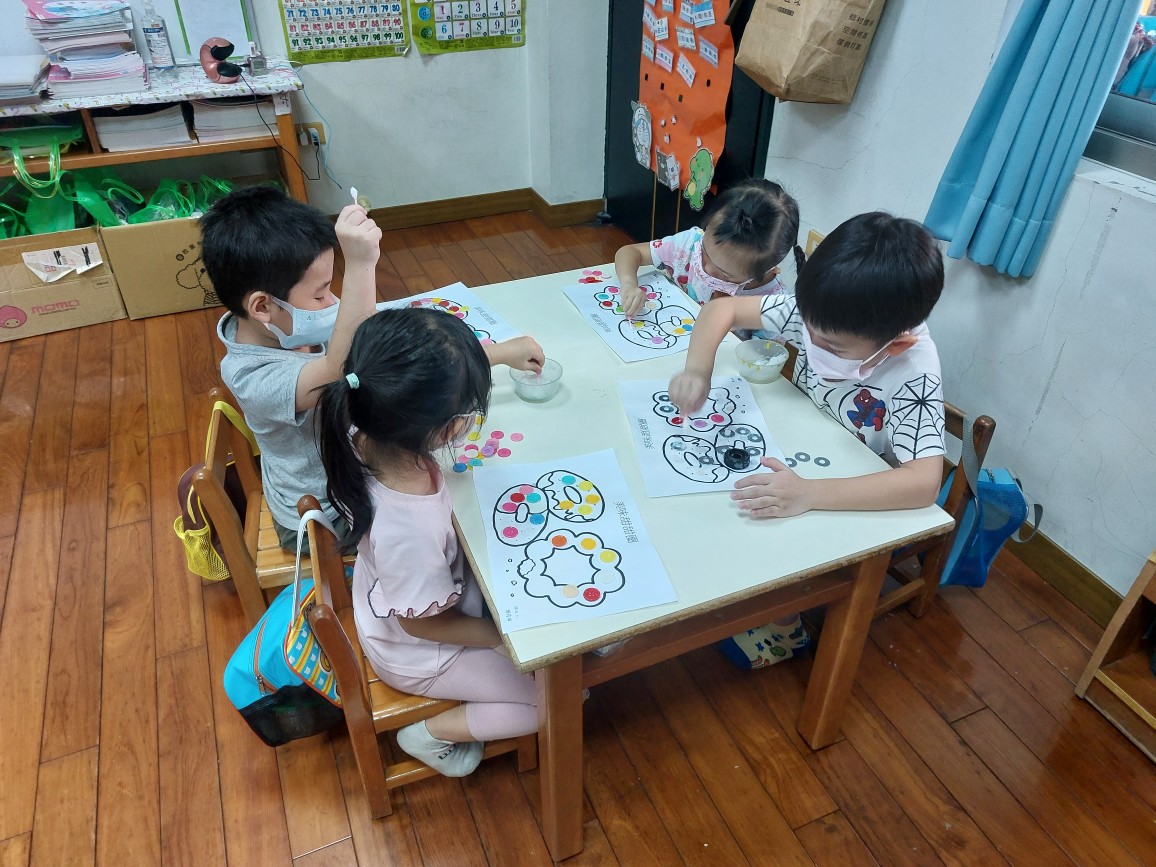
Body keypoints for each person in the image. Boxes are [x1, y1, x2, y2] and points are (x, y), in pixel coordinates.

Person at [668, 212, 947, 668]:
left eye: (832, 347)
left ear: (894, 345)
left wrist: (810, 494)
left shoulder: (913, 372)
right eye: (809, 333)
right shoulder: (821, 310)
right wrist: (698, 370)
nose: (814, 345)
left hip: (853, 486)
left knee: (776, 527)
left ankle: (785, 626)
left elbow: (924, 483)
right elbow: (721, 309)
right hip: (804, 443)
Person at [202, 186, 543, 549]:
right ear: (262, 307)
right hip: (324, 515)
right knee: (452, 525)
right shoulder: (251, 376)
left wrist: (500, 353)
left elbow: (400, 361)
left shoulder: (283, 326)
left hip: (350, 466)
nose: (332, 302)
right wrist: (361, 264)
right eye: (319, 294)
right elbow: (348, 367)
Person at [316, 307, 537, 776]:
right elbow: (422, 626)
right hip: (419, 649)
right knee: (559, 697)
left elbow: (417, 378)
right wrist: (499, 639)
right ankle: (429, 734)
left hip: (412, 594)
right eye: (469, 412)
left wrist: (500, 354)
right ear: (447, 428)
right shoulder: (407, 529)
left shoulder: (366, 417)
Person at [613, 178, 804, 317]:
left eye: (725, 274)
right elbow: (630, 252)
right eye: (705, 252)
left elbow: (763, 356)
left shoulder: (773, 305)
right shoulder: (690, 245)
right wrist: (629, 284)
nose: (707, 269)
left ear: (768, 270)